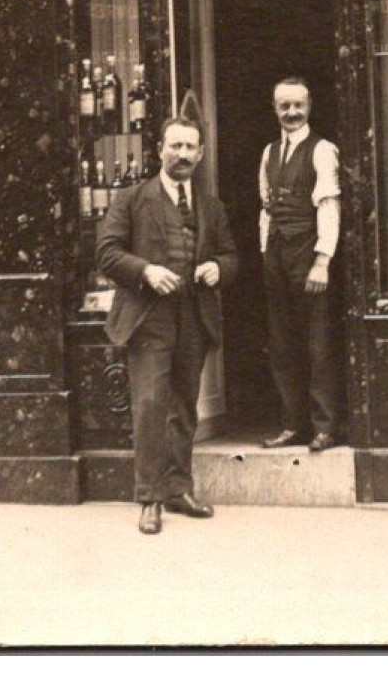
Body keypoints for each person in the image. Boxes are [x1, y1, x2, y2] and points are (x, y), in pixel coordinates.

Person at [96, 116, 238, 535]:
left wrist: (217, 267)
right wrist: (146, 272)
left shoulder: (210, 206)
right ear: (159, 149)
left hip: (194, 315)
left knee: (183, 407)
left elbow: (232, 256)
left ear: (201, 154)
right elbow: (107, 253)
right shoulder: (132, 199)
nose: (182, 155)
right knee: (150, 407)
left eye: (190, 147)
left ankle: (178, 489)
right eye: (175, 146)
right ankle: (149, 498)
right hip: (149, 318)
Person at [257, 77, 344, 452]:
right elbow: (266, 205)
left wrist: (322, 261)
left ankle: (324, 425)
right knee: (282, 342)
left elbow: (328, 206)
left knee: (317, 342)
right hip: (276, 257)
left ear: (309, 107)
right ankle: (292, 423)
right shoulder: (269, 152)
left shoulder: (322, 150)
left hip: (309, 254)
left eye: (298, 105)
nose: (291, 112)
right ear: (274, 109)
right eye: (284, 106)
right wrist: (266, 251)